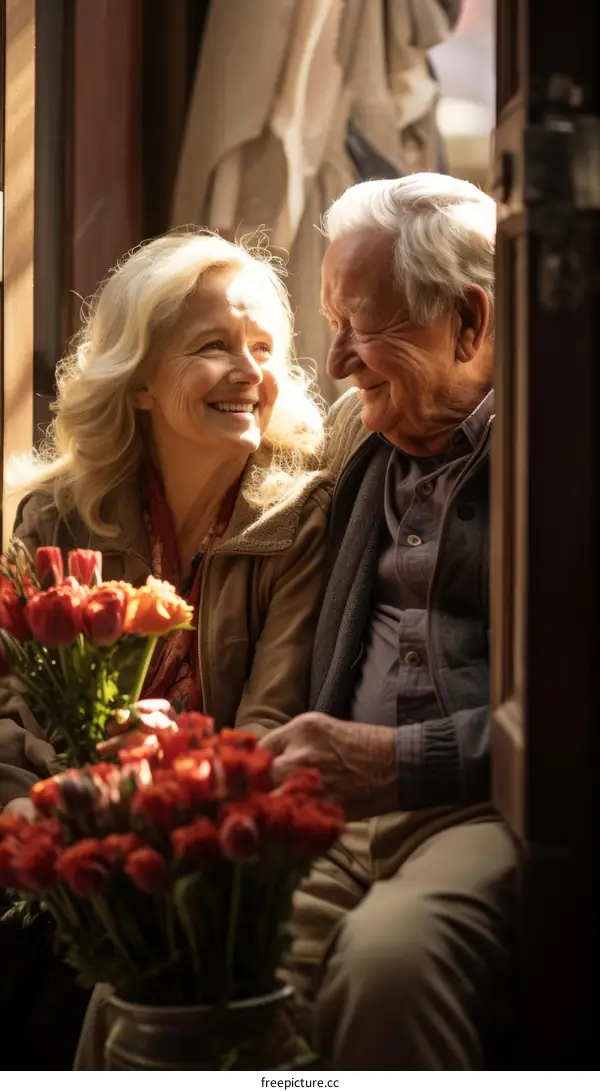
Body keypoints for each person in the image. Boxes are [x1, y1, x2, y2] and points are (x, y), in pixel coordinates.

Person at [0, 232, 331, 1069]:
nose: (248, 372)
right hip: (58, 824)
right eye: (213, 346)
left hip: (200, 842)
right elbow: (15, 710)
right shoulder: (55, 514)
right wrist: (44, 810)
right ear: (140, 381)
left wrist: (140, 810)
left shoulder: (300, 519)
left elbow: (268, 724)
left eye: (263, 349)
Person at [261, 174, 519, 1069]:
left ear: (469, 322)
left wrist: (397, 761)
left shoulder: (557, 454)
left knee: (389, 965)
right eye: (331, 323)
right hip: (337, 817)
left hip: (485, 813)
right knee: (190, 943)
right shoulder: (358, 437)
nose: (337, 360)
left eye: (362, 325)